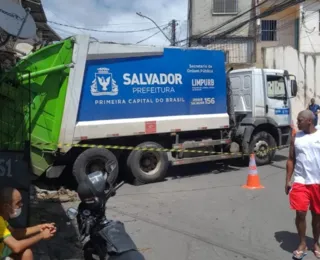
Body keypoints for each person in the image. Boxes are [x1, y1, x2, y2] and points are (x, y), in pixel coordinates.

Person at [286, 110, 320, 259]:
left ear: (309, 121)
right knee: (300, 213)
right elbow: (291, 159)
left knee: (317, 216)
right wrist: (287, 180)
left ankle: (316, 243)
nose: (297, 122)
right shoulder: (296, 137)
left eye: (300, 120)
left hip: (318, 182)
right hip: (300, 181)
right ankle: (302, 243)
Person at [0, 187, 57, 260]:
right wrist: (42, 235)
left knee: (26, 252)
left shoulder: (2, 218)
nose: (21, 205)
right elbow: (16, 247)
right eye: (18, 203)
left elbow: (14, 233)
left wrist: (40, 227)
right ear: (6, 207)